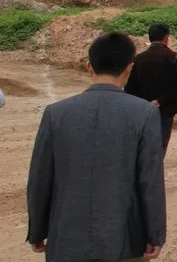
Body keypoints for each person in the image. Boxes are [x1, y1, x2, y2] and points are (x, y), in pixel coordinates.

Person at [27, 32, 166, 260]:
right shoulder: (145, 113)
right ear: (129, 68)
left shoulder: (56, 113)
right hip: (124, 240)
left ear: (88, 67)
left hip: (66, 240)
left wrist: (37, 232)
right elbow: (150, 181)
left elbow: (40, 178)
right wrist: (155, 234)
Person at [125, 22, 177, 154]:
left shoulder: (138, 59)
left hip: (142, 111)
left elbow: (130, 87)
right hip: (165, 109)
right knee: (160, 149)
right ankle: (154, 173)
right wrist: (160, 101)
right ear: (166, 37)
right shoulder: (174, 58)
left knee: (143, 148)